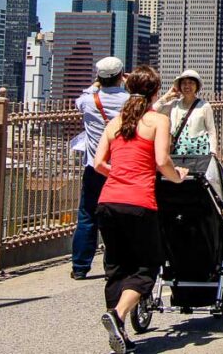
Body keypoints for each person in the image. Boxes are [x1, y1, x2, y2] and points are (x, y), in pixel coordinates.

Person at [93, 66, 187, 354]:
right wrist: (178, 176)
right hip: (139, 202)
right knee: (147, 266)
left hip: (107, 202)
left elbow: (98, 164)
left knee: (117, 267)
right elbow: (162, 160)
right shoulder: (158, 121)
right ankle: (118, 315)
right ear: (155, 92)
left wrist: (120, 173)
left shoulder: (115, 123)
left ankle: (118, 331)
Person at [70, 56, 130, 281]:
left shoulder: (87, 101)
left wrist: (96, 84)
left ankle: (80, 266)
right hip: (121, 166)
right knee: (119, 216)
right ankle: (113, 265)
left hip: (95, 166)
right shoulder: (129, 101)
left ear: (99, 77)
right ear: (121, 75)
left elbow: (82, 97)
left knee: (87, 215)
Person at [153, 69, 218, 156]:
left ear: (197, 86)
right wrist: (167, 95)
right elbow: (154, 110)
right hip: (179, 150)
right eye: (184, 83)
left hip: (200, 151)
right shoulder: (174, 104)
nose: (187, 86)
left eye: (191, 83)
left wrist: (213, 151)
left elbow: (211, 130)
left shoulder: (204, 105)